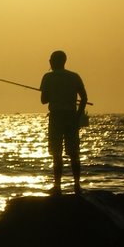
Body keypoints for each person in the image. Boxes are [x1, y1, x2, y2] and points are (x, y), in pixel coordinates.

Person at [39, 50, 88, 195]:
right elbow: (84, 97)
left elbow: (43, 100)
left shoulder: (48, 77)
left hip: (56, 117)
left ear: (53, 61)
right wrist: (78, 115)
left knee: (56, 153)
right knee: (74, 153)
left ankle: (57, 186)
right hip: (71, 117)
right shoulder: (74, 77)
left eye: (50, 60)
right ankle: (77, 185)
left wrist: (51, 92)